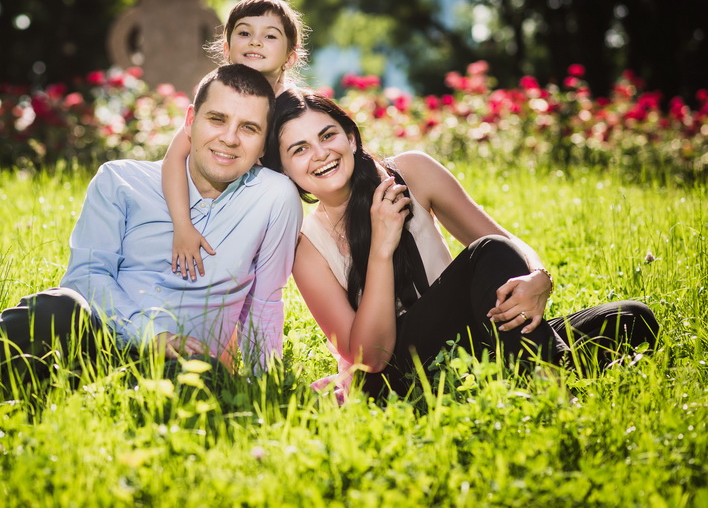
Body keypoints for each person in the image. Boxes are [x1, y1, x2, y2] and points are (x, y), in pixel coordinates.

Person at [0, 65, 303, 412]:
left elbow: (265, 302)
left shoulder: (274, 197)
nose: (229, 138)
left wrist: (263, 391)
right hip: (98, 344)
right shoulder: (121, 180)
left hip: (185, 368)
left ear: (263, 144)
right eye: (217, 119)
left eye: (249, 128)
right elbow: (87, 275)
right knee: (56, 307)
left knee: (202, 383)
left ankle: (60, 412)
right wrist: (149, 334)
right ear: (190, 121)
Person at [260, 89, 659, 401]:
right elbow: (371, 357)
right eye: (299, 149)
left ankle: (517, 368)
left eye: (327, 135)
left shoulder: (412, 171)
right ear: (285, 170)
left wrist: (539, 276)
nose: (321, 154)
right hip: (395, 376)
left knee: (631, 318)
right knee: (487, 252)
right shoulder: (306, 245)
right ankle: (551, 388)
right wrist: (382, 247)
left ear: (350, 137)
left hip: (474, 336)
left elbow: (507, 242)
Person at [161, 0, 308, 281]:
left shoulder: (295, 109)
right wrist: (182, 225)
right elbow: (173, 159)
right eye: (244, 33)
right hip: (212, 204)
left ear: (291, 57)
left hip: (268, 212)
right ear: (226, 48)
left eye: (269, 36)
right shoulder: (219, 93)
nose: (255, 42)